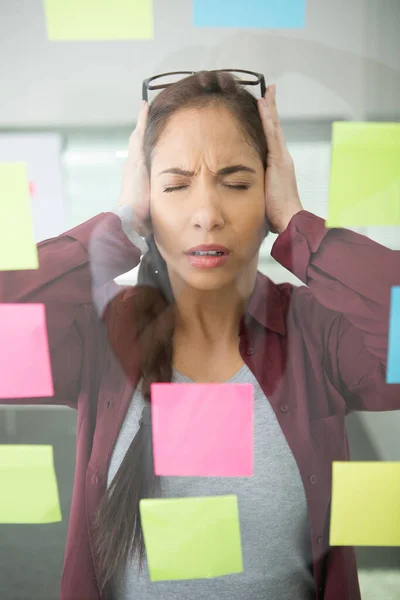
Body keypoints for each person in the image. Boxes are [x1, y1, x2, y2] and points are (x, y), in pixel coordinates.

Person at [1, 70, 399, 600]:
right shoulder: (102, 336)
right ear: (147, 199)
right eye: (175, 186)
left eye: (237, 184)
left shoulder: (315, 334)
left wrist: (300, 226)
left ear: (268, 197)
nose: (207, 214)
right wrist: (117, 228)